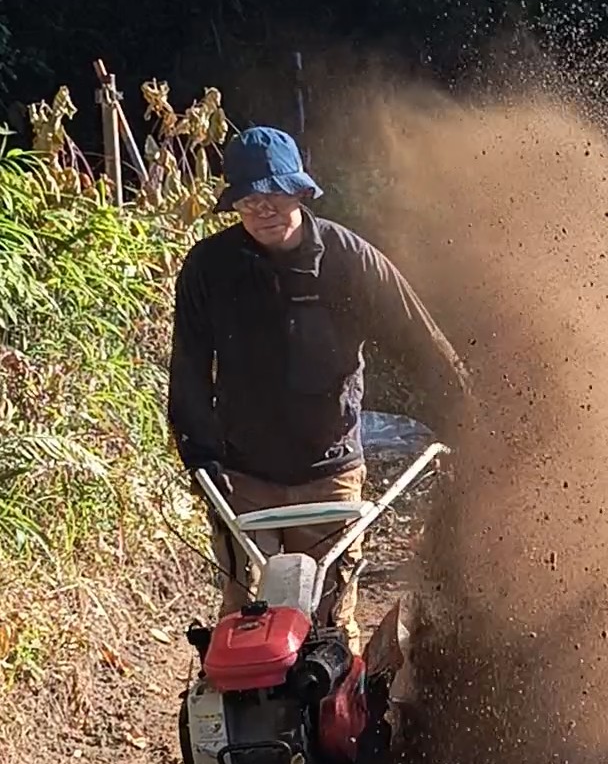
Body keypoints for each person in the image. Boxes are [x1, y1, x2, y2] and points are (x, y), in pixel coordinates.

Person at [168, 126, 468, 651]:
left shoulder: (349, 260)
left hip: (328, 474)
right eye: (249, 197)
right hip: (243, 473)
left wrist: (463, 418)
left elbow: (418, 340)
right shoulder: (209, 268)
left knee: (329, 623)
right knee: (243, 617)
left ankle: (341, 728)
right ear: (235, 202)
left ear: (301, 192)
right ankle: (243, 730)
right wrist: (198, 452)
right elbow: (190, 365)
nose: (264, 209)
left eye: (275, 194)